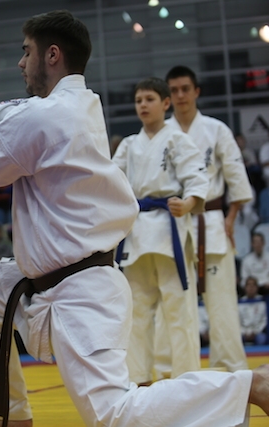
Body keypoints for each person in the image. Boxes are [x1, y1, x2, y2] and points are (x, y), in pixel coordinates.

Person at [0, 10, 269, 426]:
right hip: (49, 276)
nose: (21, 62)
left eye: (27, 52)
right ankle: (7, 415)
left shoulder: (46, 117)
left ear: (52, 55)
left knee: (114, 414)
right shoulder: (73, 105)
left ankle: (248, 387)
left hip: (81, 290)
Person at [112, 76, 208, 384]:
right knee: (136, 310)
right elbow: (111, 181)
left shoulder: (178, 140)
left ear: (166, 103)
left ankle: (187, 378)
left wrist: (189, 203)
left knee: (179, 310)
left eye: (149, 99)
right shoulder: (129, 145)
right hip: (137, 232)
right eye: (139, 100)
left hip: (169, 230)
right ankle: (138, 378)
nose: (143, 105)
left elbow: (197, 178)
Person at [164, 64, 252, 373]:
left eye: (185, 89)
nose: (180, 95)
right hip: (173, 226)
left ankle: (229, 368)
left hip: (212, 221)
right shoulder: (162, 133)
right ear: (168, 96)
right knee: (175, 305)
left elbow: (236, 178)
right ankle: (178, 372)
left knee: (222, 301)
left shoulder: (217, 130)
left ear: (196, 91)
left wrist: (231, 217)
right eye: (174, 90)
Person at [239, 276, 268, 346]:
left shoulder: (262, 301)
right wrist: (244, 332)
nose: (251, 288)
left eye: (253, 285)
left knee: (262, 339)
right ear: (245, 287)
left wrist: (255, 332)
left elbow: (264, 320)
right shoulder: (240, 303)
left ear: (257, 287)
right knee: (236, 339)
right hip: (243, 333)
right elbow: (237, 321)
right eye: (249, 285)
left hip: (257, 333)